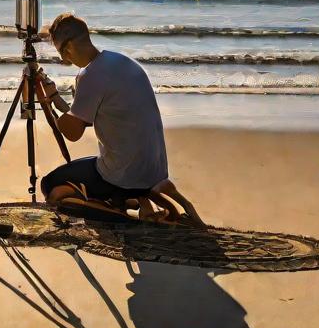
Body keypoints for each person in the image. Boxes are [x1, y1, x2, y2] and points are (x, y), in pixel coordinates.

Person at [35, 12, 200, 222]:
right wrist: (55, 96)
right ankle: (133, 199)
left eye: (60, 52)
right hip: (154, 169)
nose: (63, 59)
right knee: (92, 164)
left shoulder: (90, 75)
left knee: (50, 185)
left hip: (124, 176)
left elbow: (71, 132)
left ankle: (117, 211)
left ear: (68, 48)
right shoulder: (121, 62)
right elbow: (81, 118)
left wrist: (47, 102)